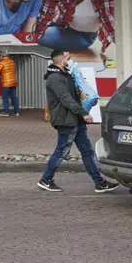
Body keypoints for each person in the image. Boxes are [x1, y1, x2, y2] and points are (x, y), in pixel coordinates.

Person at [37, 49, 119, 194]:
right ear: (61, 61)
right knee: (62, 150)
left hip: (75, 119)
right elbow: (65, 99)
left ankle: (99, 183)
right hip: (66, 120)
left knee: (87, 151)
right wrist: (84, 113)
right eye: (67, 58)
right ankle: (45, 179)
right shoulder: (55, 78)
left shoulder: (65, 74)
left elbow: (77, 91)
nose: (70, 60)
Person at [0, 51, 20, 117]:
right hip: (13, 82)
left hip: (6, 83)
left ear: (1, 56)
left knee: (5, 98)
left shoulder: (2, 62)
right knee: (14, 97)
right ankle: (17, 112)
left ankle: (6, 112)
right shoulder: (12, 62)